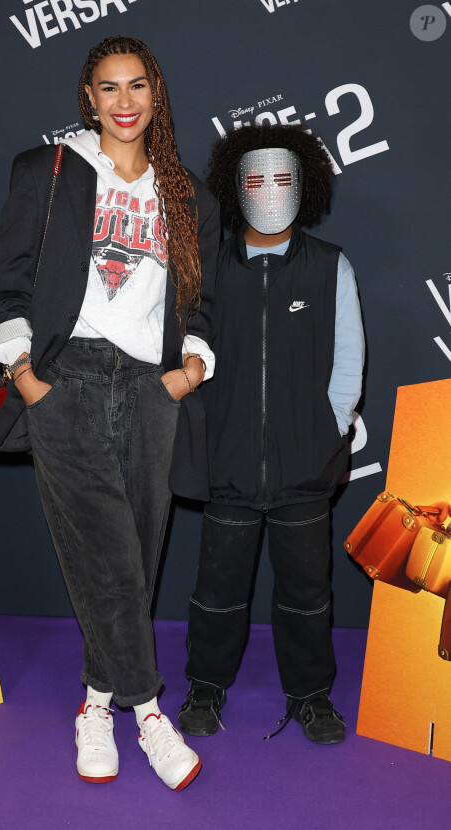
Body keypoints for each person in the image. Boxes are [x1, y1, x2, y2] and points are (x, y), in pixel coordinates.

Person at [0, 35, 219, 789]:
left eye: (138, 87)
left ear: (157, 95)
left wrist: (188, 373)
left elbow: (203, 301)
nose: (125, 103)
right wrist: (24, 375)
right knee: (109, 557)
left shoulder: (185, 194)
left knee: (131, 557)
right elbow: (9, 283)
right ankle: (150, 715)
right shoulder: (48, 171)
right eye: (109, 89)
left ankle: (94, 702)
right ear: (88, 97)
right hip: (67, 380)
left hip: (152, 388)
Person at [177, 123, 365, 745]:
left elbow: (349, 365)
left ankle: (311, 695)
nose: (268, 190)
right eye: (255, 177)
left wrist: (326, 435)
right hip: (227, 466)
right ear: (235, 186)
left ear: (304, 184)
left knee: (309, 594)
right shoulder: (210, 269)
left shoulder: (331, 266)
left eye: (282, 176)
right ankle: (205, 686)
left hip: (305, 471)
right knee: (216, 592)